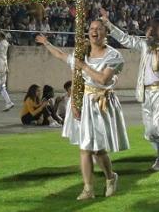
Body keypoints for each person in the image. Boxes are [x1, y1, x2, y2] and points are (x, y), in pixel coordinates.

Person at [37, 21, 129, 200]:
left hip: (101, 102)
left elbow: (103, 79)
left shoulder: (114, 55)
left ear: (106, 33)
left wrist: (84, 66)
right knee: (85, 147)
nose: (94, 32)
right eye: (92, 29)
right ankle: (88, 189)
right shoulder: (82, 53)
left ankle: (110, 177)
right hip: (84, 101)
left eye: (99, 29)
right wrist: (46, 43)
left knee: (98, 149)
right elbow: (62, 56)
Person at [100, 9, 159, 172]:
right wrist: (108, 24)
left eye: (156, 27)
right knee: (149, 131)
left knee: (158, 127)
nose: (152, 30)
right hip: (146, 92)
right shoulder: (145, 45)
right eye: (152, 27)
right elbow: (126, 39)